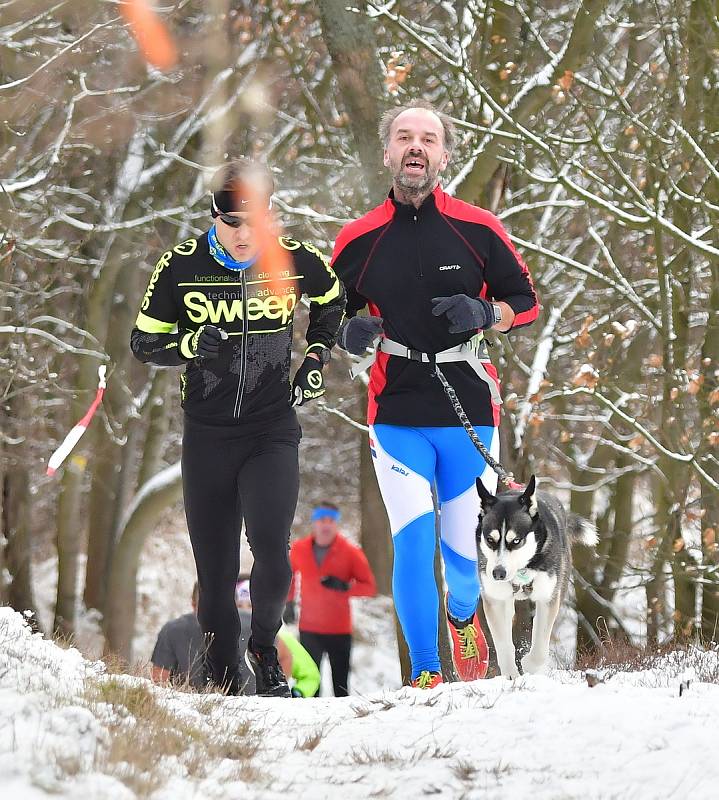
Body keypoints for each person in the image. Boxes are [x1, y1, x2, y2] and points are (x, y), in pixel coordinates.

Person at [330, 101, 538, 689]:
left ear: (445, 155)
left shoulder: (477, 228)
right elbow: (327, 317)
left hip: (467, 408)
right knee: (414, 544)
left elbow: (527, 301)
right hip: (395, 412)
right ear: (388, 152)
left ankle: (464, 615)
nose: (415, 146)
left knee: (462, 557)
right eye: (403, 136)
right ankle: (425, 672)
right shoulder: (357, 239)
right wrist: (349, 331)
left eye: (428, 138)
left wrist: (486, 311)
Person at [131, 158, 345, 697]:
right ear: (214, 216)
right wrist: (186, 345)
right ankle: (225, 677)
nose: (246, 236)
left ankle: (265, 651)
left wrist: (316, 357)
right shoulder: (180, 266)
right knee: (216, 571)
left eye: (257, 222)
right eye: (233, 224)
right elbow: (142, 342)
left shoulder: (296, 260)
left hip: (271, 429)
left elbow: (333, 302)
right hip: (206, 435)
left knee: (273, 549)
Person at [287, 502, 376, 696]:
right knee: (310, 684)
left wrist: (345, 587)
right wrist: (288, 601)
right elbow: (289, 577)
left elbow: (369, 587)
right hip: (309, 628)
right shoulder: (299, 549)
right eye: (321, 520)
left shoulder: (351, 552)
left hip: (339, 630)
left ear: (336, 524)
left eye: (330, 521)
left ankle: (346, 726)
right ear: (314, 523)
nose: (325, 525)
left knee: (341, 688)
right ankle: (310, 724)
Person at [235, 576, 320, 699]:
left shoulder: (281, 638)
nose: (245, 611)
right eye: (239, 606)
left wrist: (298, 692)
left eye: (250, 605)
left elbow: (310, 674)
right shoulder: (219, 638)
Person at [150, 582, 206, 689]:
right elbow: (158, 684)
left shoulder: (246, 631)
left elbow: (157, 686)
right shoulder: (173, 631)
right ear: (194, 606)